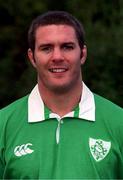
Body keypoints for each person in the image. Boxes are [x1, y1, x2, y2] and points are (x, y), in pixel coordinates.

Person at [0, 11, 123, 179]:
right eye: (46, 48)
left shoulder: (119, 122)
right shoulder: (3, 124)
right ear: (32, 57)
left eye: (67, 47)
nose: (57, 56)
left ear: (83, 54)